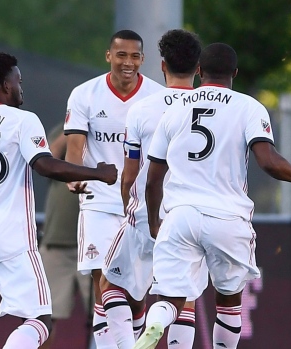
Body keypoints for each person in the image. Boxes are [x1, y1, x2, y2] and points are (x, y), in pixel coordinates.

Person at [133, 43, 291, 349]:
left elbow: (152, 178)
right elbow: (269, 161)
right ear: (234, 74)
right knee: (228, 302)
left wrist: (156, 221)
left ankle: (157, 320)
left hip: (180, 215)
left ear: (199, 72)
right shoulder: (248, 107)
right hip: (227, 218)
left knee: (172, 298)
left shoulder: (174, 112)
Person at [0, 52, 118, 349]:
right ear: (6, 85)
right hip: (11, 241)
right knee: (40, 321)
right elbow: (45, 165)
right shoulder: (22, 120)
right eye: (19, 80)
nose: (21, 87)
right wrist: (98, 172)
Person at [99, 29, 207, 349]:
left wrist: (127, 211)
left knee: (110, 287)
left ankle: (124, 344)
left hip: (146, 215)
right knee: (182, 300)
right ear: (198, 68)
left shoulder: (142, 109)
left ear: (162, 66)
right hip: (190, 217)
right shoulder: (211, 110)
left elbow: (130, 173)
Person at [64, 29, 164, 348]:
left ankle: (131, 337)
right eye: (121, 55)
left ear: (143, 60)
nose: (128, 63)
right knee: (102, 280)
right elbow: (74, 148)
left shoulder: (157, 97)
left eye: (134, 56)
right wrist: (75, 174)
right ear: (109, 56)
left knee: (135, 295)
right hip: (99, 202)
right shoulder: (85, 94)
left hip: (142, 206)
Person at [38, 123, 92, 349]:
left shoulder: (115, 125)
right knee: (43, 316)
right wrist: (73, 129)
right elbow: (46, 159)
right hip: (56, 242)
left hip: (95, 243)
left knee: (107, 315)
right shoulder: (63, 128)